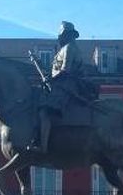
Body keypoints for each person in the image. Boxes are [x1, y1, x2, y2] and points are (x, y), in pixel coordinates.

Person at [28, 21, 98, 154]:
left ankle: (42, 146)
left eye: (62, 36)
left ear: (66, 35)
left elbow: (65, 69)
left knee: (44, 112)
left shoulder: (69, 48)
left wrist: (52, 78)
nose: (61, 38)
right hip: (61, 83)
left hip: (66, 86)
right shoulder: (68, 48)